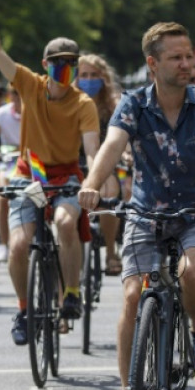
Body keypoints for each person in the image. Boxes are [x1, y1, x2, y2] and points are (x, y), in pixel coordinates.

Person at [78, 22, 195, 390]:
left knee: (193, 271)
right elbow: (112, 145)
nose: (187, 64)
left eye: (189, 56)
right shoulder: (133, 104)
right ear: (152, 64)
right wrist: (92, 184)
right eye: (176, 57)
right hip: (147, 212)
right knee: (133, 295)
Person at [0, 0, 100, 345]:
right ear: (45, 65)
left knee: (65, 222)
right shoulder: (30, 84)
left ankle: (71, 292)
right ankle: (24, 310)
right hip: (29, 176)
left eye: (71, 63)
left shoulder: (84, 104)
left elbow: (91, 149)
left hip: (66, 176)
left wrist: (92, 181)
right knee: (19, 245)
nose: (65, 69)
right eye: (58, 63)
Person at [76, 54, 124, 275]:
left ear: (103, 77)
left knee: (109, 194)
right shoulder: (70, 102)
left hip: (106, 163)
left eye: (94, 75)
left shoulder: (115, 104)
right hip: (74, 162)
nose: (89, 80)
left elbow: (125, 133)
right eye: (84, 75)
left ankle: (111, 251)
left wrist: (127, 153)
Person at [0, 85, 22, 264]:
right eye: (15, 92)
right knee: (2, 196)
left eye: (23, 91)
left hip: (33, 162)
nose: (19, 96)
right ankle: (3, 243)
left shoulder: (37, 111)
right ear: (10, 95)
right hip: (8, 162)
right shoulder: (1, 114)